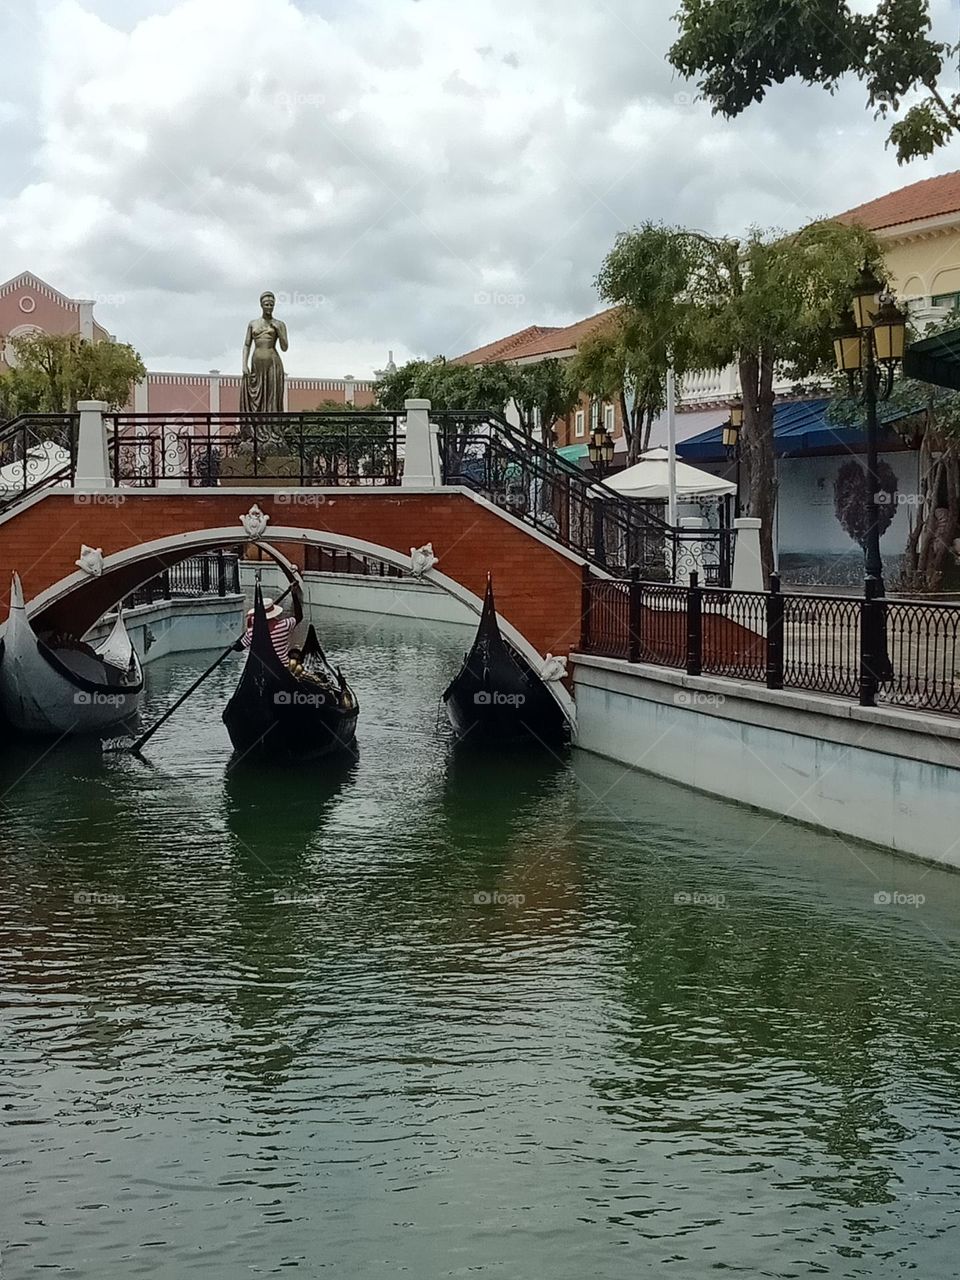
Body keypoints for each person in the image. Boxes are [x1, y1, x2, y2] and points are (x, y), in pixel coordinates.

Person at [238, 587, 304, 663]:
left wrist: (234, 645)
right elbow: (299, 617)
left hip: (262, 668)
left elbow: (240, 647)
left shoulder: (252, 632)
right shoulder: (285, 625)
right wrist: (294, 595)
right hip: (282, 666)